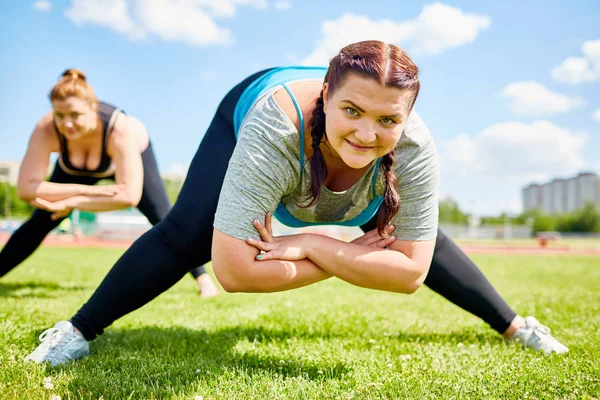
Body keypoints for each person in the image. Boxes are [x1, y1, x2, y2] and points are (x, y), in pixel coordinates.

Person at [25, 42, 566, 366]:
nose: (365, 133)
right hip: (248, 105)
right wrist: (359, 259)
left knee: (419, 235)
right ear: (326, 95)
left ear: (407, 118)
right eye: (351, 109)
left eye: (387, 120)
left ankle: (516, 326)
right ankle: (76, 331)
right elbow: (235, 272)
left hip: (330, 201)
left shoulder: (414, 148)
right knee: (186, 232)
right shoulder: (274, 128)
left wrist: (314, 244)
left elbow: (408, 274)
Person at [0, 69, 219, 298]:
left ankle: (203, 279)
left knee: (163, 218)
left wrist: (72, 201)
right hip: (77, 173)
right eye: (59, 115)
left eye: (75, 114)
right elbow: (26, 188)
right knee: (42, 218)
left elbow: (129, 196)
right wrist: (81, 196)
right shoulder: (46, 129)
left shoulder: (120, 129)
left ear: (93, 108)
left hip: (131, 160)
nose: (67, 124)